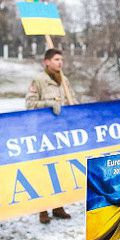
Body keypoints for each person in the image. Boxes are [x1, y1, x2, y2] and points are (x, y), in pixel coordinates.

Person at [25, 48, 77, 224]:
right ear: (46, 61)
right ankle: (43, 209)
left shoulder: (64, 80)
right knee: (45, 172)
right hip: (44, 133)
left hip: (62, 133)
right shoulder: (39, 80)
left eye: (61, 59)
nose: (60, 62)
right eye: (56, 59)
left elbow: (73, 101)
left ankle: (58, 206)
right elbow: (30, 104)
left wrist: (76, 110)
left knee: (61, 170)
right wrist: (48, 104)